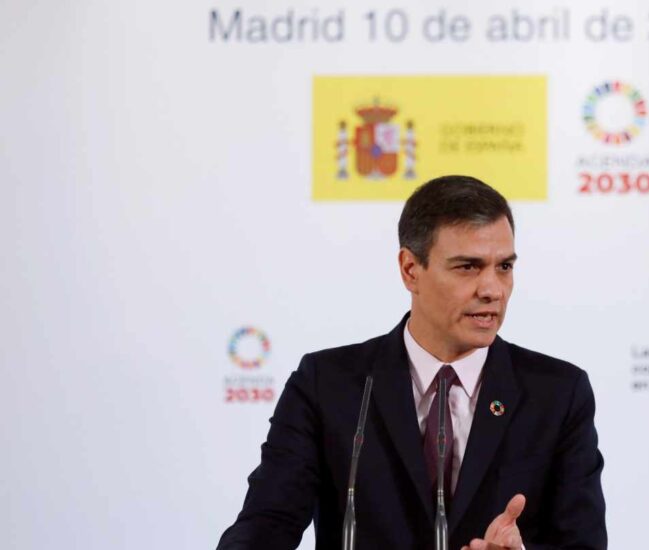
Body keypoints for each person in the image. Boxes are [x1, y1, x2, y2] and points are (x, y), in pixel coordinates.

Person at [217, 175, 606, 549]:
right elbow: (266, 524)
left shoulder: (557, 394)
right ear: (410, 270)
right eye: (468, 266)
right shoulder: (328, 384)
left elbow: (583, 543)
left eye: (504, 267)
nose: (492, 290)